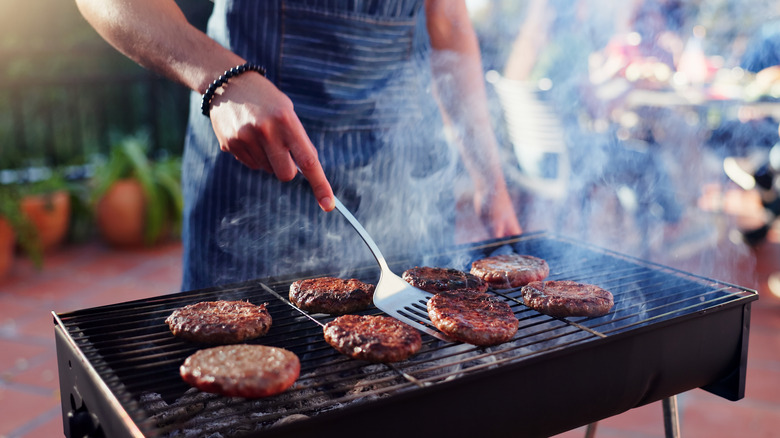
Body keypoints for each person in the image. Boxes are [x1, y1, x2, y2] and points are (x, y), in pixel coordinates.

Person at [75, 0, 521, 290]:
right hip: (253, 166)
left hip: (403, 171)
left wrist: (490, 179)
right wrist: (218, 77)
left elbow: (448, 19)